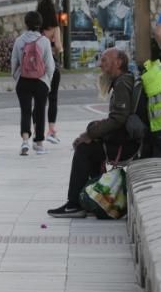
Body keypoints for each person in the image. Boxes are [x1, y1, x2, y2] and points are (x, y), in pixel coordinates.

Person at [47, 47, 141, 218]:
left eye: (104, 60)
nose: (100, 64)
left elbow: (118, 119)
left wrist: (90, 134)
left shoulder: (122, 83)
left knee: (84, 148)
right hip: (125, 140)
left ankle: (74, 204)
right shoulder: (124, 80)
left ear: (118, 62)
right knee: (90, 142)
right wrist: (93, 132)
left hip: (126, 145)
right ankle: (94, 199)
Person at [11, 11, 56, 155]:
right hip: (40, 81)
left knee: (25, 111)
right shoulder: (44, 41)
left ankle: (25, 141)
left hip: (23, 81)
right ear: (39, 24)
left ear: (26, 23)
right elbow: (50, 65)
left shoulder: (19, 40)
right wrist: (46, 80)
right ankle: (39, 143)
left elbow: (14, 62)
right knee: (40, 110)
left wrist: (17, 76)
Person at [37, 0, 63, 144]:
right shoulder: (55, 28)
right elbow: (58, 47)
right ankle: (51, 130)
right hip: (51, 65)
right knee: (52, 98)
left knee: (38, 100)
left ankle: (36, 131)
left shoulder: (35, 29)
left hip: (36, 66)